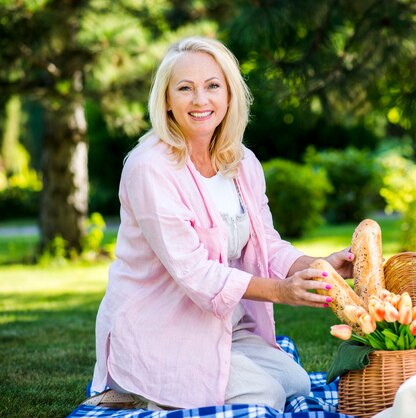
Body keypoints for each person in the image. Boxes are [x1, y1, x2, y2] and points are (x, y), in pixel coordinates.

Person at [88, 36, 354, 412]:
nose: (200, 100)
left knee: (294, 384)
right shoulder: (149, 168)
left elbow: (267, 244)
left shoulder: (242, 161)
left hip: (226, 326)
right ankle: (136, 389)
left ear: (229, 95)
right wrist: (282, 291)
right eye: (185, 88)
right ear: (166, 100)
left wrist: (319, 267)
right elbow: (195, 273)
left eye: (213, 86)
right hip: (159, 329)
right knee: (265, 396)